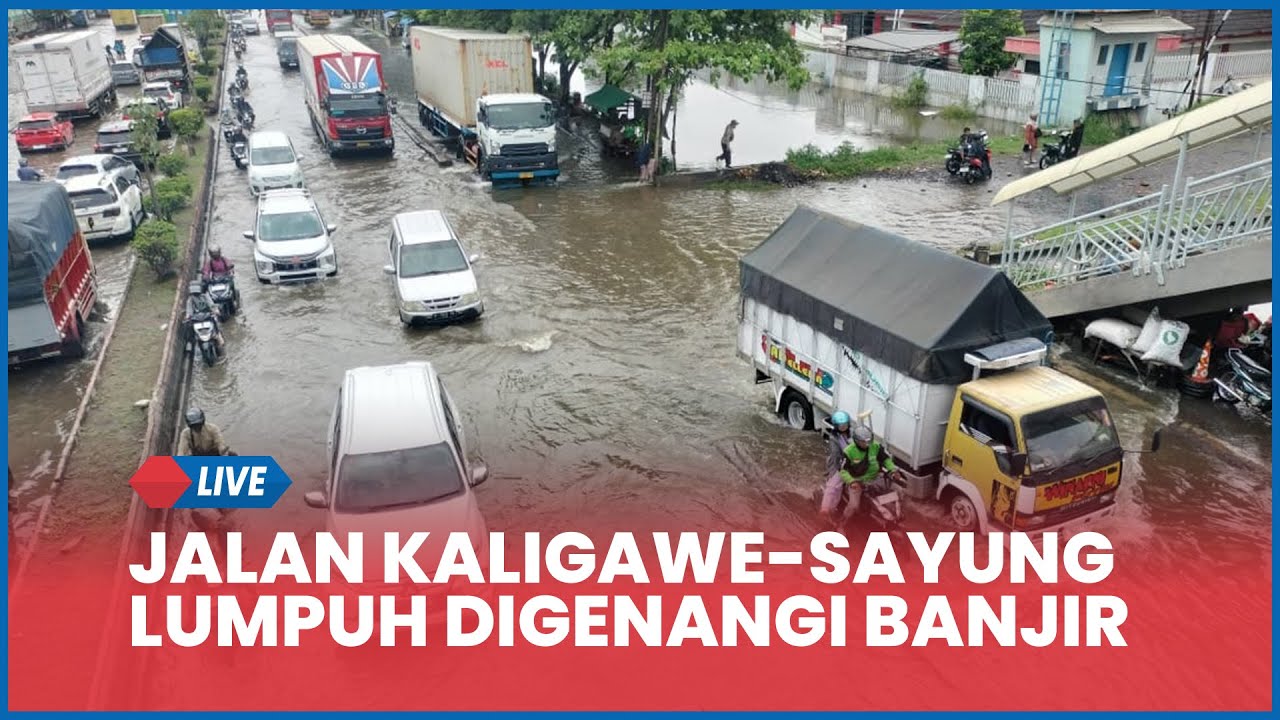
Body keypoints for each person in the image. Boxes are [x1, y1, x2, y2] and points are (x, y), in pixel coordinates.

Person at [820, 424, 902, 528]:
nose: (867, 444)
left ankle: (896, 514)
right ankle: (842, 524)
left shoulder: (876, 446)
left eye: (869, 440)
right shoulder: (849, 452)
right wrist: (852, 482)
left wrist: (893, 470)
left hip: (874, 478)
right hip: (857, 481)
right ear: (857, 441)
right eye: (864, 442)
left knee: (897, 492)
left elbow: (886, 459)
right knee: (854, 506)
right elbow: (843, 471)